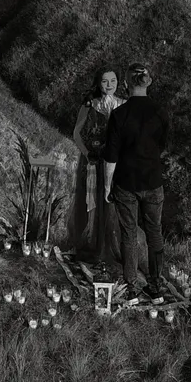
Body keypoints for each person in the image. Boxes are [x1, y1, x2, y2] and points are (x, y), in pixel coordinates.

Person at [102, 62, 170, 300]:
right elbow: (162, 146)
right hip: (152, 180)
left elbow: (110, 157)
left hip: (126, 182)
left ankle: (131, 288)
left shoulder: (119, 115)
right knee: (154, 233)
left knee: (129, 234)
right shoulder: (161, 112)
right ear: (148, 82)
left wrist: (107, 185)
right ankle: (156, 286)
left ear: (125, 84)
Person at [66, 67, 125, 266]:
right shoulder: (90, 105)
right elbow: (77, 132)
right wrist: (87, 152)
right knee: (89, 201)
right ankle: (87, 243)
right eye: (105, 81)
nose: (109, 85)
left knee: (110, 204)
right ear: (98, 83)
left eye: (113, 81)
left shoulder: (123, 104)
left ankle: (109, 246)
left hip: (114, 162)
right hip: (92, 160)